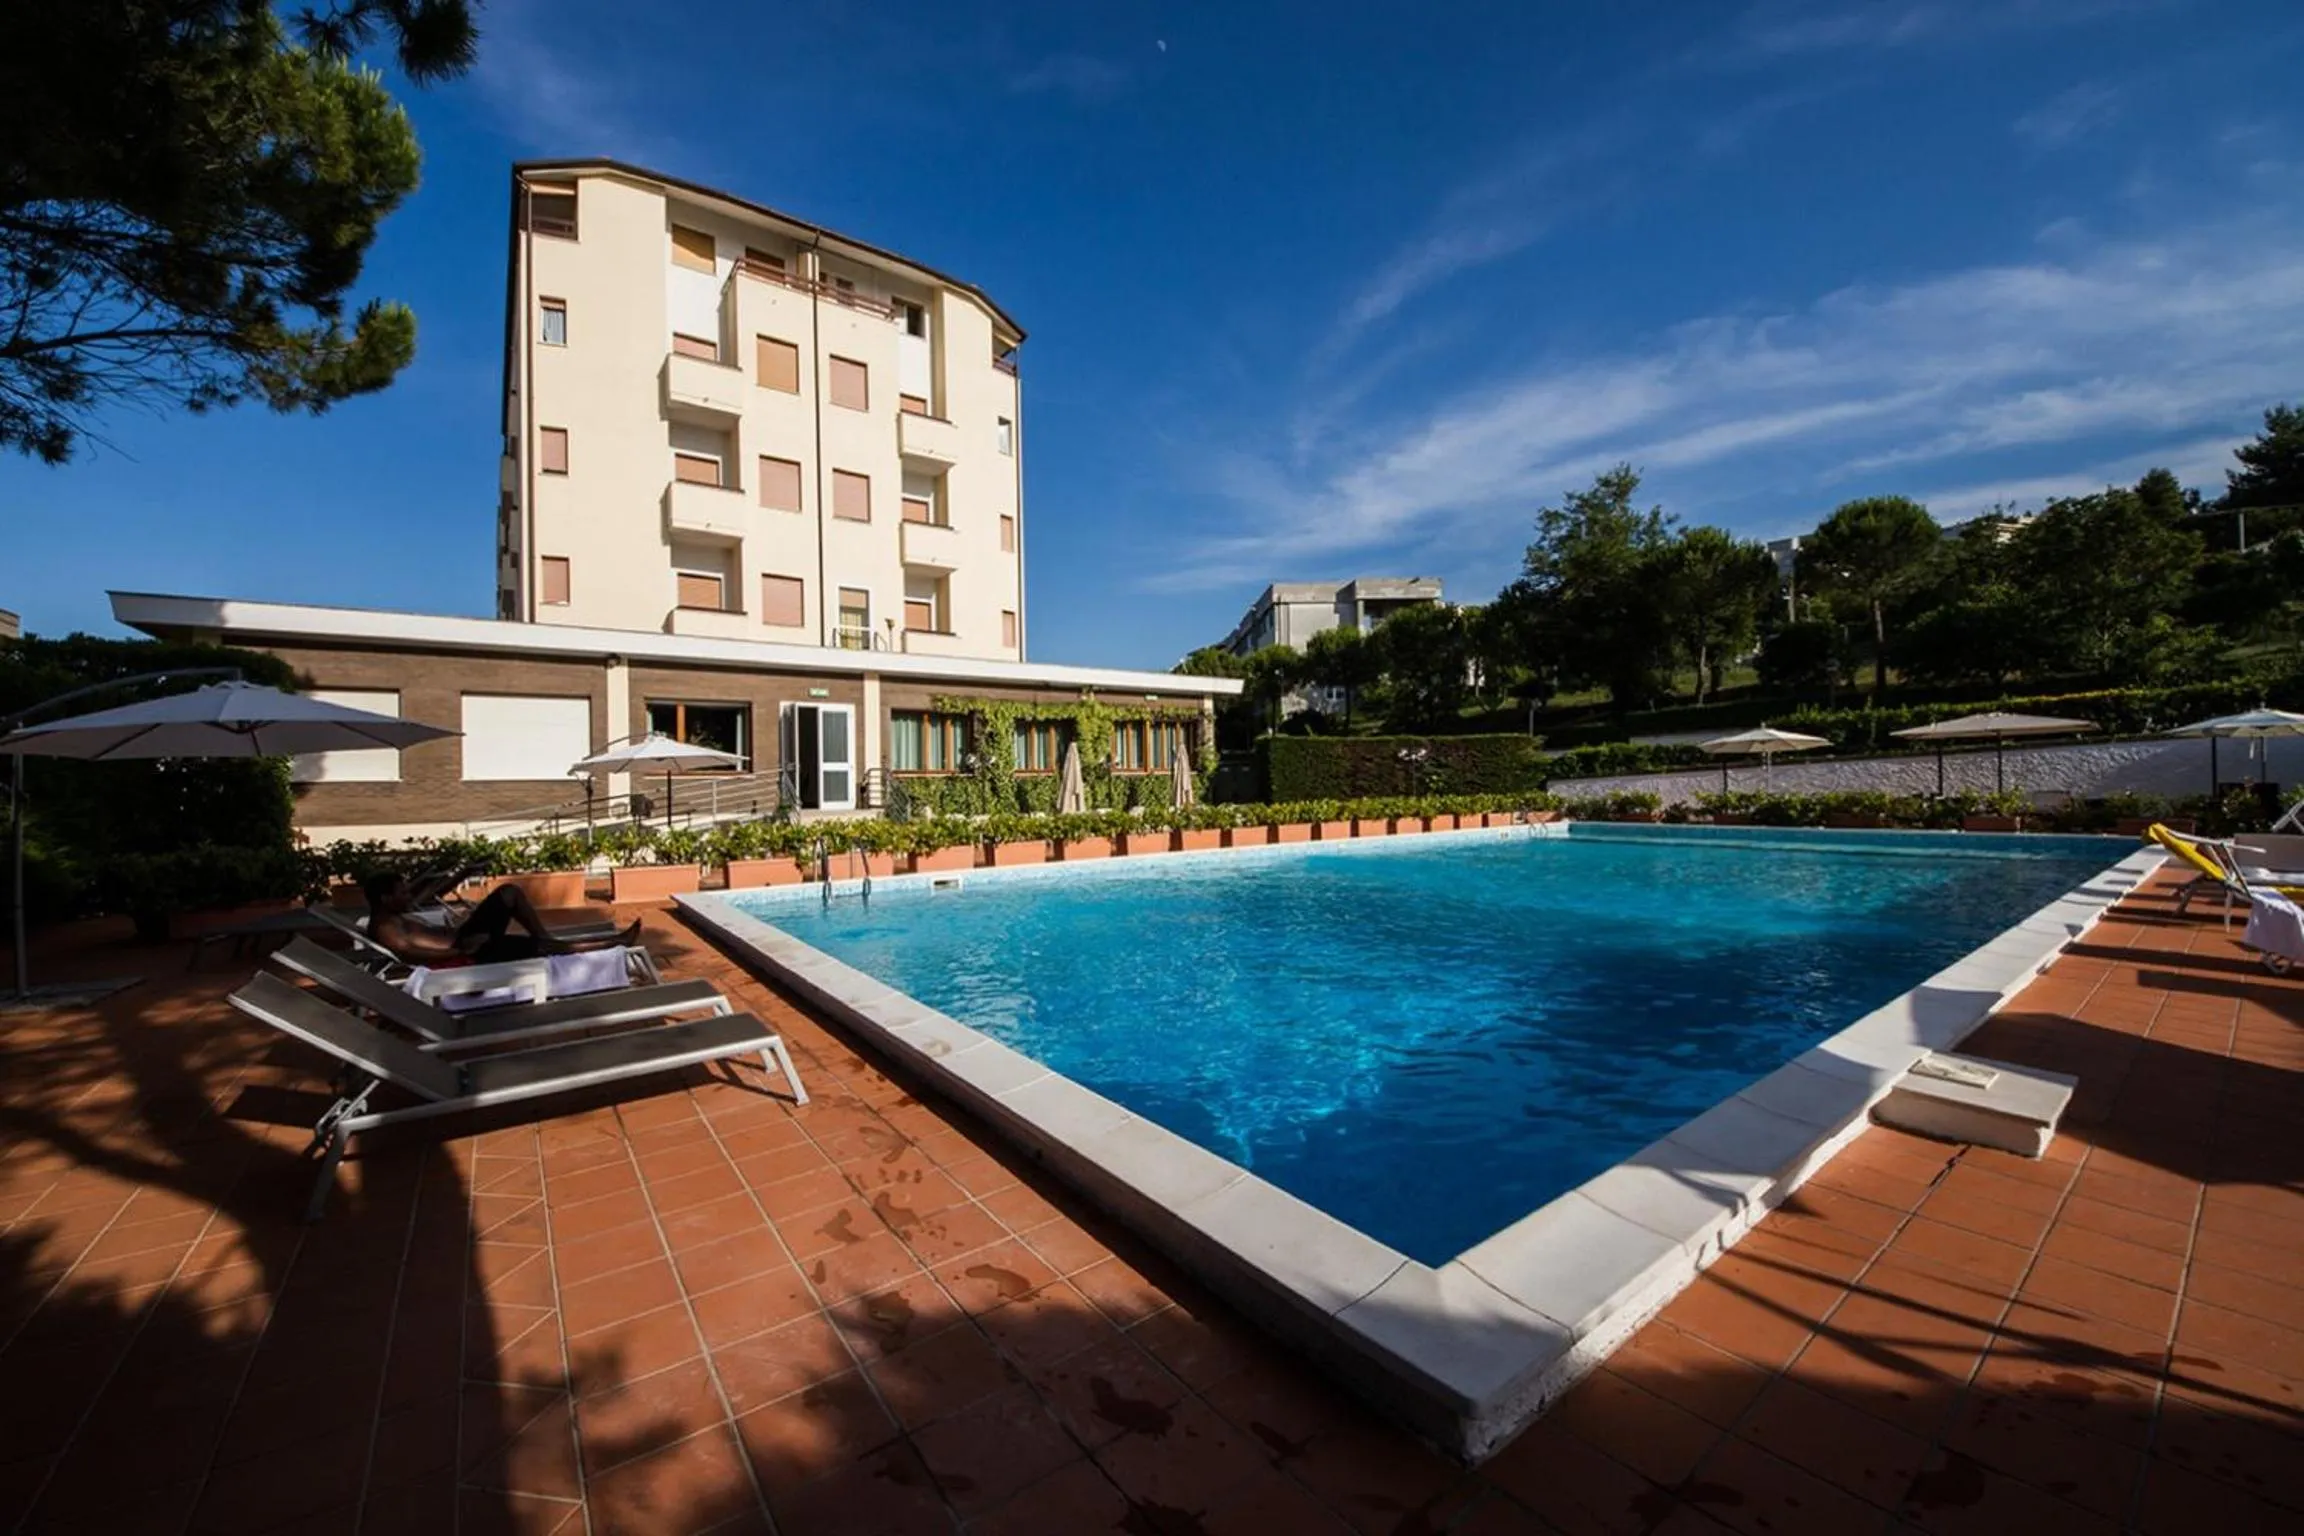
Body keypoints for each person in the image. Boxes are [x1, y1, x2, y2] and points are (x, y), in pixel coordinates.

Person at [362, 873, 640, 964]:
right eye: (402, 891)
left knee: (509, 894)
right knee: (544, 949)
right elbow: (410, 952)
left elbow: (419, 940)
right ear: (385, 898)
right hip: (468, 950)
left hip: (464, 939)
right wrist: (460, 950)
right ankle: (614, 943)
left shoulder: (392, 917)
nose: (408, 894)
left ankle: (547, 938)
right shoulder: (385, 927)